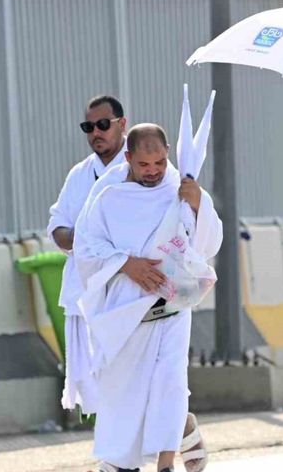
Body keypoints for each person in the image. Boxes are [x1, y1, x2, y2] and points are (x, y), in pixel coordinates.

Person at [75, 124, 220, 472]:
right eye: (144, 164)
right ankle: (123, 462)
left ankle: (166, 463)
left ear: (168, 152)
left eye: (159, 162)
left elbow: (208, 243)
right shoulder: (107, 195)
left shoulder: (182, 189)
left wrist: (198, 204)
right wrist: (127, 264)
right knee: (127, 396)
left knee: (170, 384)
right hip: (126, 313)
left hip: (172, 308)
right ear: (128, 158)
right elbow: (86, 247)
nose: (153, 171)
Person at [47, 94, 128, 414]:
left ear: (122, 124)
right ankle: (119, 460)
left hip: (127, 292)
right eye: (89, 126)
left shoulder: (143, 167)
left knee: (131, 380)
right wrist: (84, 240)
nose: (96, 132)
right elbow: (57, 227)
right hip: (84, 292)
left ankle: (172, 431)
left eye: (103, 125)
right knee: (96, 388)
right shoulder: (79, 174)